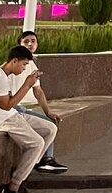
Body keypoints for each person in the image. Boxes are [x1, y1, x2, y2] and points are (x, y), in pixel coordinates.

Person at [0, 45, 57, 193]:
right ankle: (12, 187)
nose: (24, 68)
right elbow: (6, 106)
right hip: (0, 119)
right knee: (36, 144)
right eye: (23, 64)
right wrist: (27, 84)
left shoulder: (3, 76)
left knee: (50, 129)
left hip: (11, 114)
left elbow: (10, 103)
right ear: (14, 61)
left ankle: (24, 171)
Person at [7, 31, 68, 173]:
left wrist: (48, 112)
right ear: (19, 45)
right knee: (48, 127)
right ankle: (44, 160)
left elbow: (38, 91)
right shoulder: (14, 64)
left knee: (50, 122)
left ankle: (42, 161)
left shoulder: (31, 65)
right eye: (26, 41)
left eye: (33, 41)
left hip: (21, 108)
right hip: (15, 109)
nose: (30, 44)